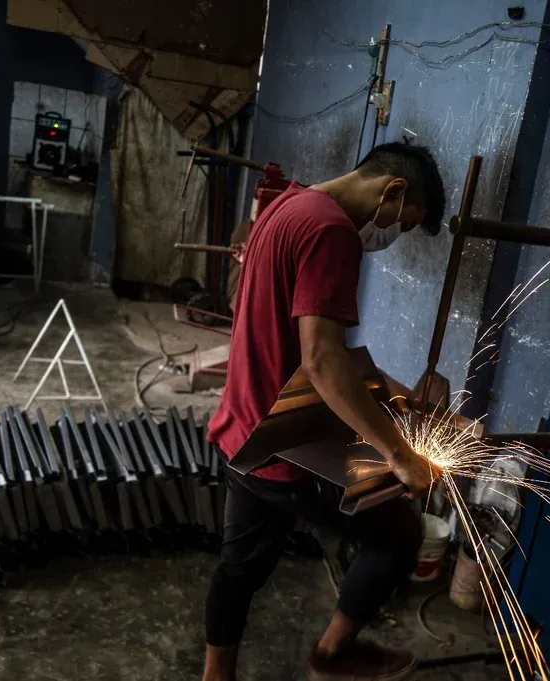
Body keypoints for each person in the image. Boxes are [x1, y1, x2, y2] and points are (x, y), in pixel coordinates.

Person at [203, 142, 447, 681]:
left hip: (243, 425)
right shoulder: (333, 232)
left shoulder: (288, 205)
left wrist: (394, 392)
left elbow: (307, 346)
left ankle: (215, 676)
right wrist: (398, 454)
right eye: (404, 223)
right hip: (286, 443)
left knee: (239, 568)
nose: (393, 235)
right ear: (392, 190)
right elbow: (320, 359)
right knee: (399, 535)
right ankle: (333, 655)